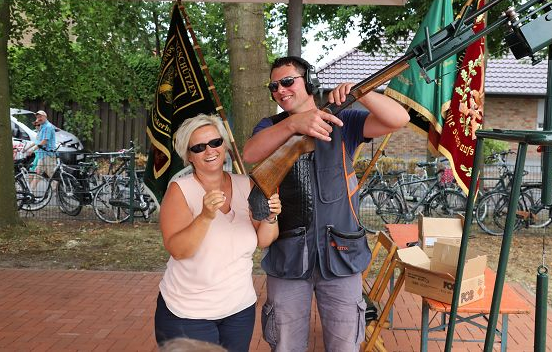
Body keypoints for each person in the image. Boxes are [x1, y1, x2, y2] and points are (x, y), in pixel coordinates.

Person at [242, 56, 410, 351]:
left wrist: (362, 93)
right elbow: (251, 153)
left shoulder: (342, 121)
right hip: (288, 258)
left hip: (341, 256)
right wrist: (294, 124)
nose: (280, 90)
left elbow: (399, 119)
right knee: (285, 345)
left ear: (309, 81)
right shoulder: (271, 126)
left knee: (345, 345)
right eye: (274, 86)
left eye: (287, 82)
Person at [155, 114, 282, 352]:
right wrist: (205, 216)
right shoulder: (180, 190)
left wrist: (271, 217)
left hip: (239, 310)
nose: (209, 150)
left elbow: (264, 240)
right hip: (188, 312)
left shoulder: (246, 184)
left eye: (215, 142)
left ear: (224, 145)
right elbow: (179, 250)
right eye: (199, 147)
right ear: (188, 155)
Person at [27, 110, 56, 178]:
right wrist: (26, 149)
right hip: (42, 155)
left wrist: (32, 150)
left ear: (45, 117)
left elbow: (44, 141)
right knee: (37, 174)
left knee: (51, 176)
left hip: (48, 155)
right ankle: (30, 186)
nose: (39, 118)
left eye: (40, 116)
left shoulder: (48, 127)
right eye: (37, 117)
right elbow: (36, 141)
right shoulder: (42, 127)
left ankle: (55, 185)